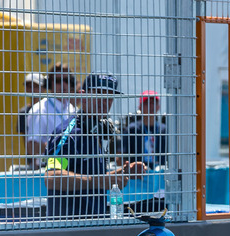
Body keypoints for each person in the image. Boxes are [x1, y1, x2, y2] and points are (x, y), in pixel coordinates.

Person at [44, 72, 146, 217]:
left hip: (94, 225)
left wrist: (122, 173)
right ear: (83, 96)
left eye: (109, 96)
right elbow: (52, 176)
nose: (104, 101)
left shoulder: (95, 132)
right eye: (98, 94)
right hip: (67, 229)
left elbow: (91, 176)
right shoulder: (68, 133)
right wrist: (98, 181)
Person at [25, 62, 77, 168]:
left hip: (71, 168)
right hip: (47, 169)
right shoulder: (39, 109)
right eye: (58, 81)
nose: (63, 85)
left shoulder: (72, 109)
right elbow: (32, 148)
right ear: (49, 84)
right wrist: (60, 147)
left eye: (66, 80)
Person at [118, 90, 167, 168]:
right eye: (146, 103)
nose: (151, 106)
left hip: (160, 173)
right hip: (138, 175)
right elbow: (120, 156)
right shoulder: (132, 129)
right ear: (140, 107)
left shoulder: (165, 130)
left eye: (153, 103)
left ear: (158, 106)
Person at [16, 72, 46, 167]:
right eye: (29, 86)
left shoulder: (50, 110)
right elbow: (26, 140)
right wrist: (32, 161)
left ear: (44, 88)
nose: (32, 89)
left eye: (36, 86)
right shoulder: (23, 112)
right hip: (34, 163)